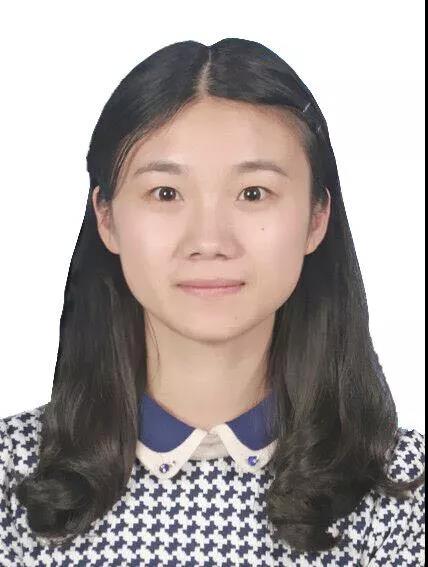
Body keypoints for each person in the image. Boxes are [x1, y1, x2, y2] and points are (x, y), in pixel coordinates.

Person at [0, 38, 425, 566]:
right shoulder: (12, 479)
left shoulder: (404, 494)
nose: (208, 241)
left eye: (253, 193)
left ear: (317, 218)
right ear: (106, 218)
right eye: (165, 193)